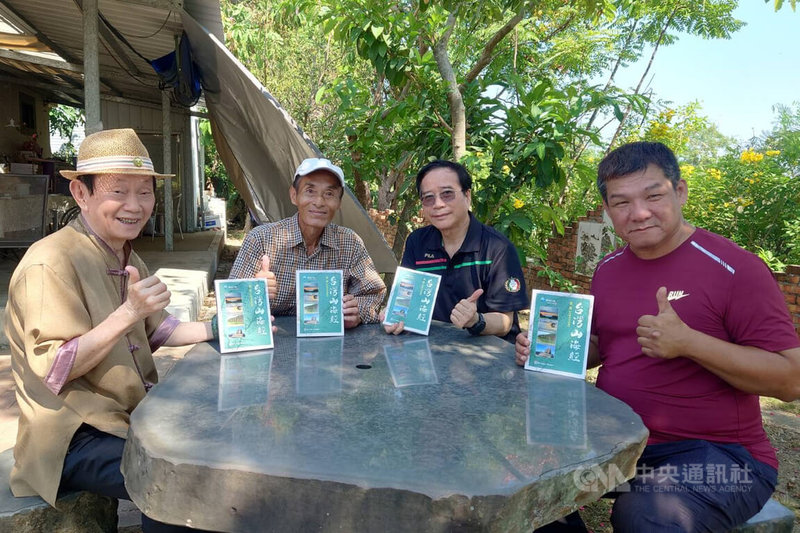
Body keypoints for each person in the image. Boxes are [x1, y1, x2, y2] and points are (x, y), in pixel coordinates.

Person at [515, 141, 800, 532]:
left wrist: (689, 343)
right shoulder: (609, 269)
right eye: (622, 203)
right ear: (607, 209)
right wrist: (550, 348)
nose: (640, 213)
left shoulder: (736, 268)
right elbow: (602, 345)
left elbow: (790, 380)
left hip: (723, 459)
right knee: (524, 491)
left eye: (653, 195)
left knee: (647, 516)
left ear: (679, 192)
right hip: (618, 448)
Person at [4, 128, 215, 532]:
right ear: (81, 194)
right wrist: (128, 312)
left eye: (145, 192)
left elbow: (159, 331)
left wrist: (222, 328)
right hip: (72, 437)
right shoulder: (49, 262)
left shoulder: (124, 252)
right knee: (173, 480)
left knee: (208, 449)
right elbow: (55, 369)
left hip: (123, 419)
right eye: (118, 191)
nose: (134, 206)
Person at [229, 157, 386, 328]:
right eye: (310, 191)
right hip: (274, 340)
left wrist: (357, 313)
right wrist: (253, 292)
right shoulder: (261, 239)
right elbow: (230, 305)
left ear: (339, 202)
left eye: (329, 194)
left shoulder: (350, 243)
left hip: (331, 347)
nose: (319, 202)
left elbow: (373, 293)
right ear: (294, 195)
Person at [385, 160, 529, 342]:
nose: (437, 204)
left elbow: (505, 322)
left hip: (484, 356)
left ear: (467, 196)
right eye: (428, 197)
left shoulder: (497, 247)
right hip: (428, 349)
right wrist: (395, 315)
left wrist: (476, 320)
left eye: (447, 194)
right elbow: (407, 299)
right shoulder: (417, 242)